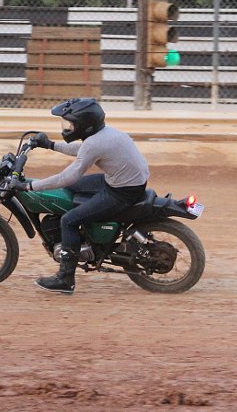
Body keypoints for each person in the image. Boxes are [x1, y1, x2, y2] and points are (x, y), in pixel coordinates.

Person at [11, 97, 149, 294]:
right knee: (74, 188)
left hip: (123, 192)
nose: (67, 128)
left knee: (68, 220)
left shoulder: (95, 143)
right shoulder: (104, 134)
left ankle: (65, 279)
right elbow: (82, 150)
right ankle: (84, 236)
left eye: (71, 124)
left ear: (85, 125)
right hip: (126, 182)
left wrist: (30, 186)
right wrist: (50, 145)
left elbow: (66, 177)